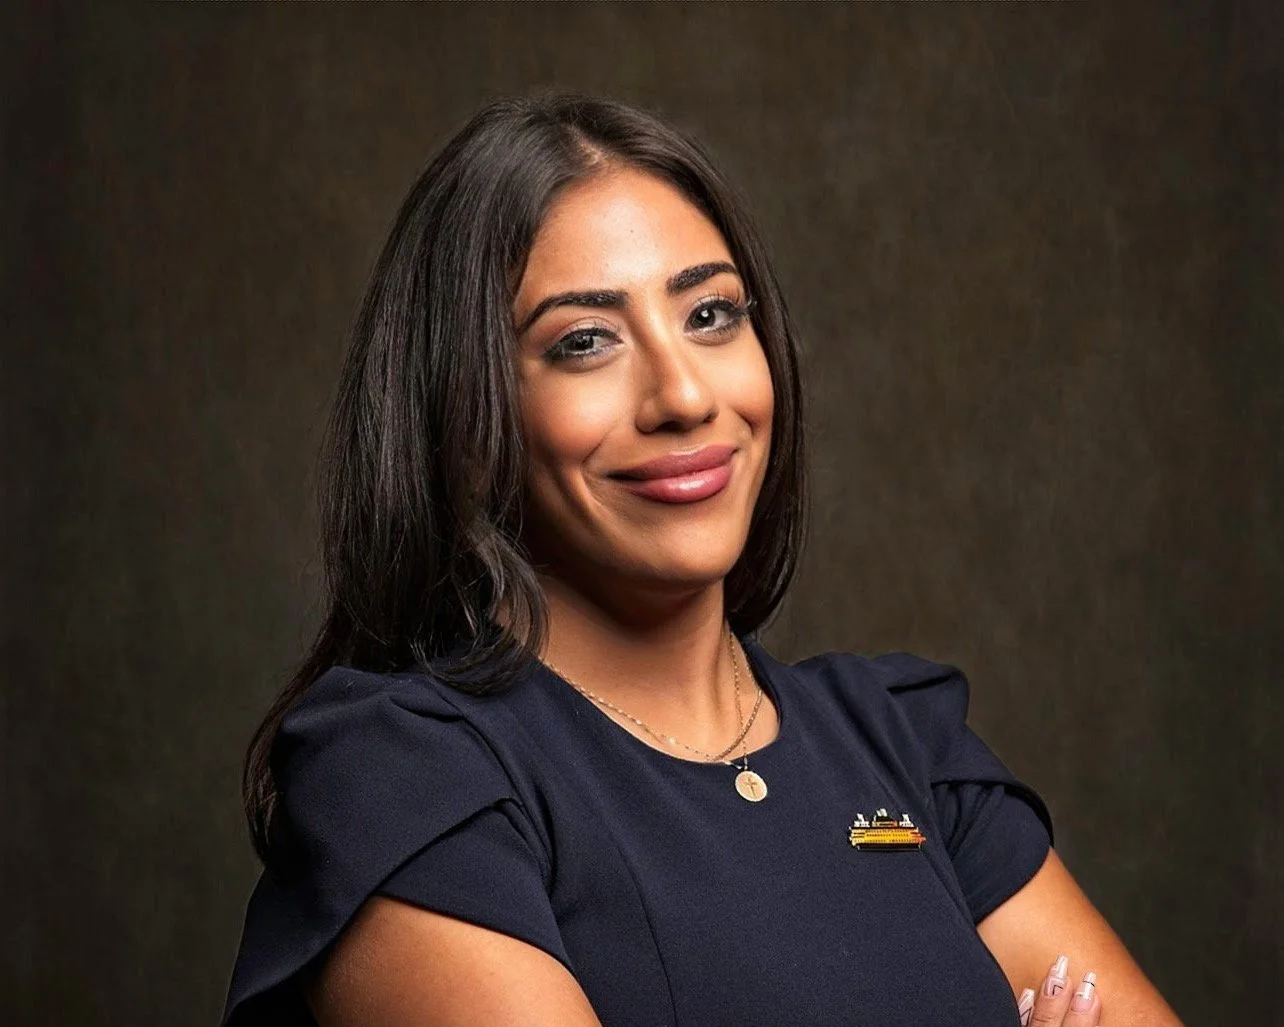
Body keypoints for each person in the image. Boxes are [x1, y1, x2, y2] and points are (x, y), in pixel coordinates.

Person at [221, 93, 1182, 1027]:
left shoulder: (906, 743)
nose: (682, 393)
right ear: (465, 420)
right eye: (586, 341)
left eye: (711, 316)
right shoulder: (400, 776)